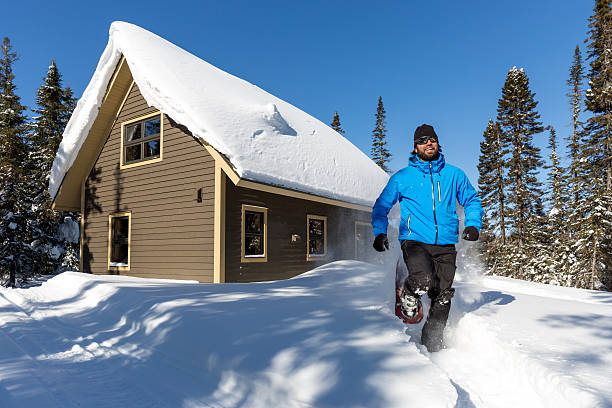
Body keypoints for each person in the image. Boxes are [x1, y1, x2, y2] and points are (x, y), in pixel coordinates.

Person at [371, 124, 483, 352]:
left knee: (442, 296)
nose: (428, 143)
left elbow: (472, 200)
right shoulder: (402, 177)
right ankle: (409, 293)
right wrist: (380, 232)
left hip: (445, 243)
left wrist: (472, 223)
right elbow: (382, 206)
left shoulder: (454, 174)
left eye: (431, 139)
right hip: (414, 240)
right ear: (415, 147)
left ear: (437, 142)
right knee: (423, 279)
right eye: (422, 140)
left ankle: (432, 344)